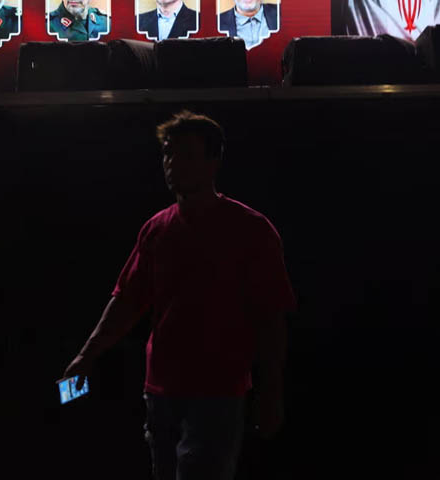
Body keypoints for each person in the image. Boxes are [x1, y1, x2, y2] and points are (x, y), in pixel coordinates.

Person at [62, 110, 296, 480]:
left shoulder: (251, 230)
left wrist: (272, 392)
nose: (172, 163)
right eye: (168, 153)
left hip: (218, 390)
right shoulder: (157, 229)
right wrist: (86, 356)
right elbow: (127, 300)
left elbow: (271, 315)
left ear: (214, 160)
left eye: (186, 154)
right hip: (160, 390)